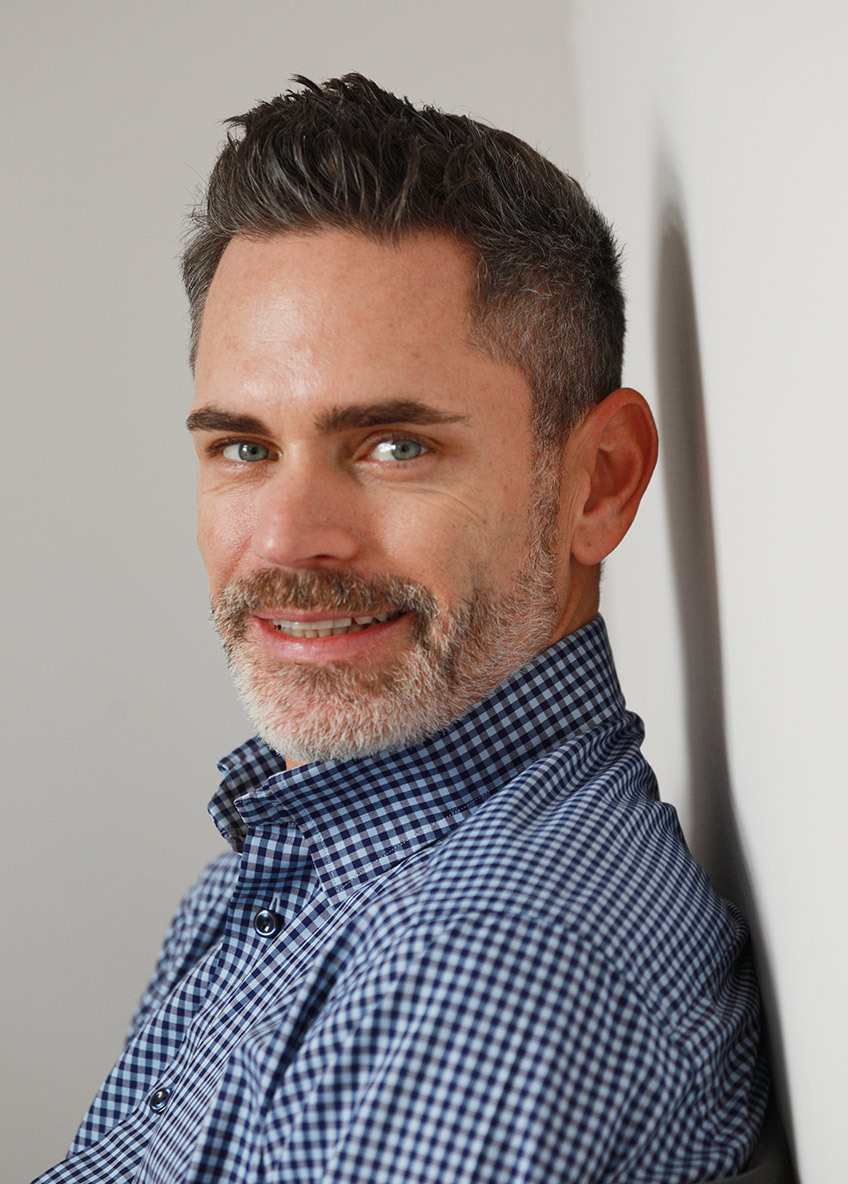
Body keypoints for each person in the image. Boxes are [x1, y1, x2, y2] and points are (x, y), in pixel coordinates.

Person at [36, 75, 767, 1183]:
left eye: (393, 446)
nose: (288, 541)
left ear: (600, 481)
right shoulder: (282, 871)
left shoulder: (485, 964)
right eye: (243, 447)